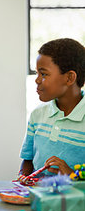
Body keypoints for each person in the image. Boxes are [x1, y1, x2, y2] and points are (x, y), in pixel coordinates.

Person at [19, 38, 85, 178]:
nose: (37, 80)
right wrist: (22, 178)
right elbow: (28, 160)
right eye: (37, 73)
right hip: (39, 198)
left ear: (69, 78)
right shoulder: (37, 115)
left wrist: (72, 175)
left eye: (43, 74)